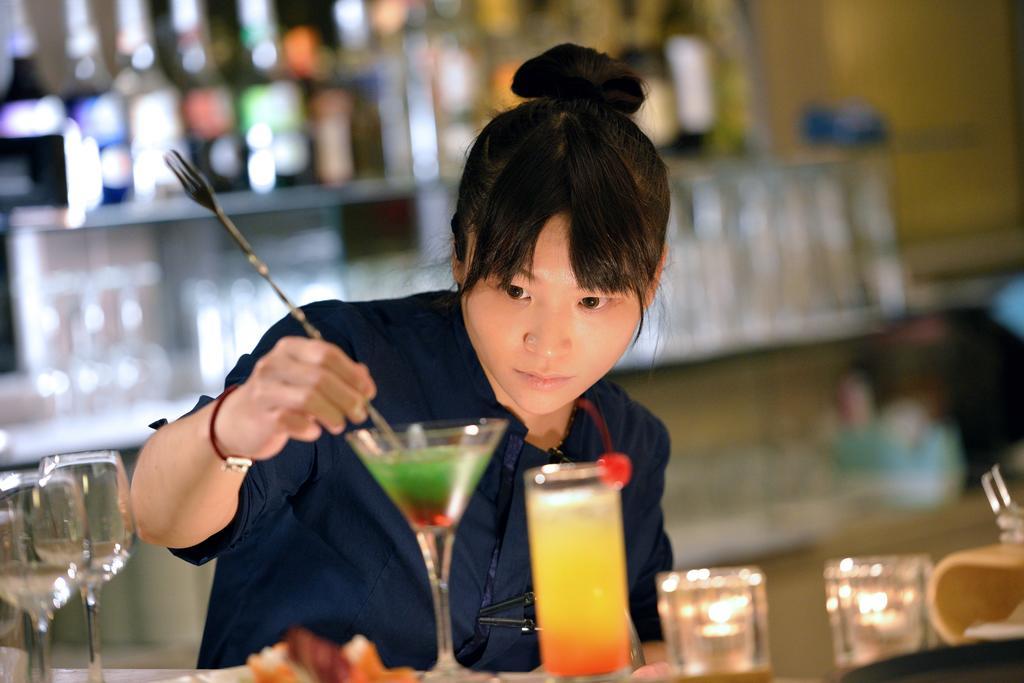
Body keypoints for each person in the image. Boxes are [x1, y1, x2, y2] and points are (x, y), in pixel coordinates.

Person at [131, 43, 674, 672]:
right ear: (462, 256)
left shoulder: (628, 441)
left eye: (593, 300)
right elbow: (158, 517)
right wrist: (227, 430)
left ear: (652, 281)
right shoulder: (343, 363)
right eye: (518, 290)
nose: (548, 342)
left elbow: (644, 633)